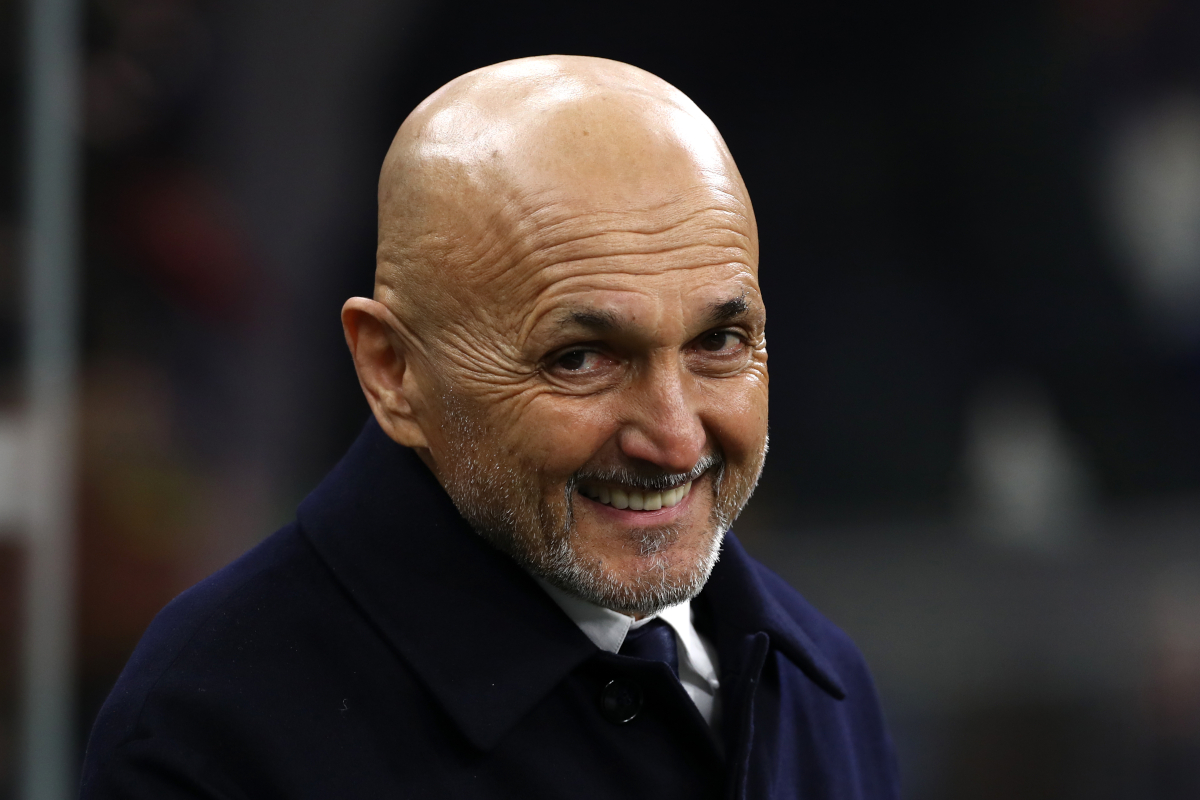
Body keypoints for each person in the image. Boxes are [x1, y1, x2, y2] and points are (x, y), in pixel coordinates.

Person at [80, 55, 899, 799]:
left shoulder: (821, 683)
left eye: (718, 343)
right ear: (391, 371)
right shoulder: (213, 733)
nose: (677, 439)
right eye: (581, 359)